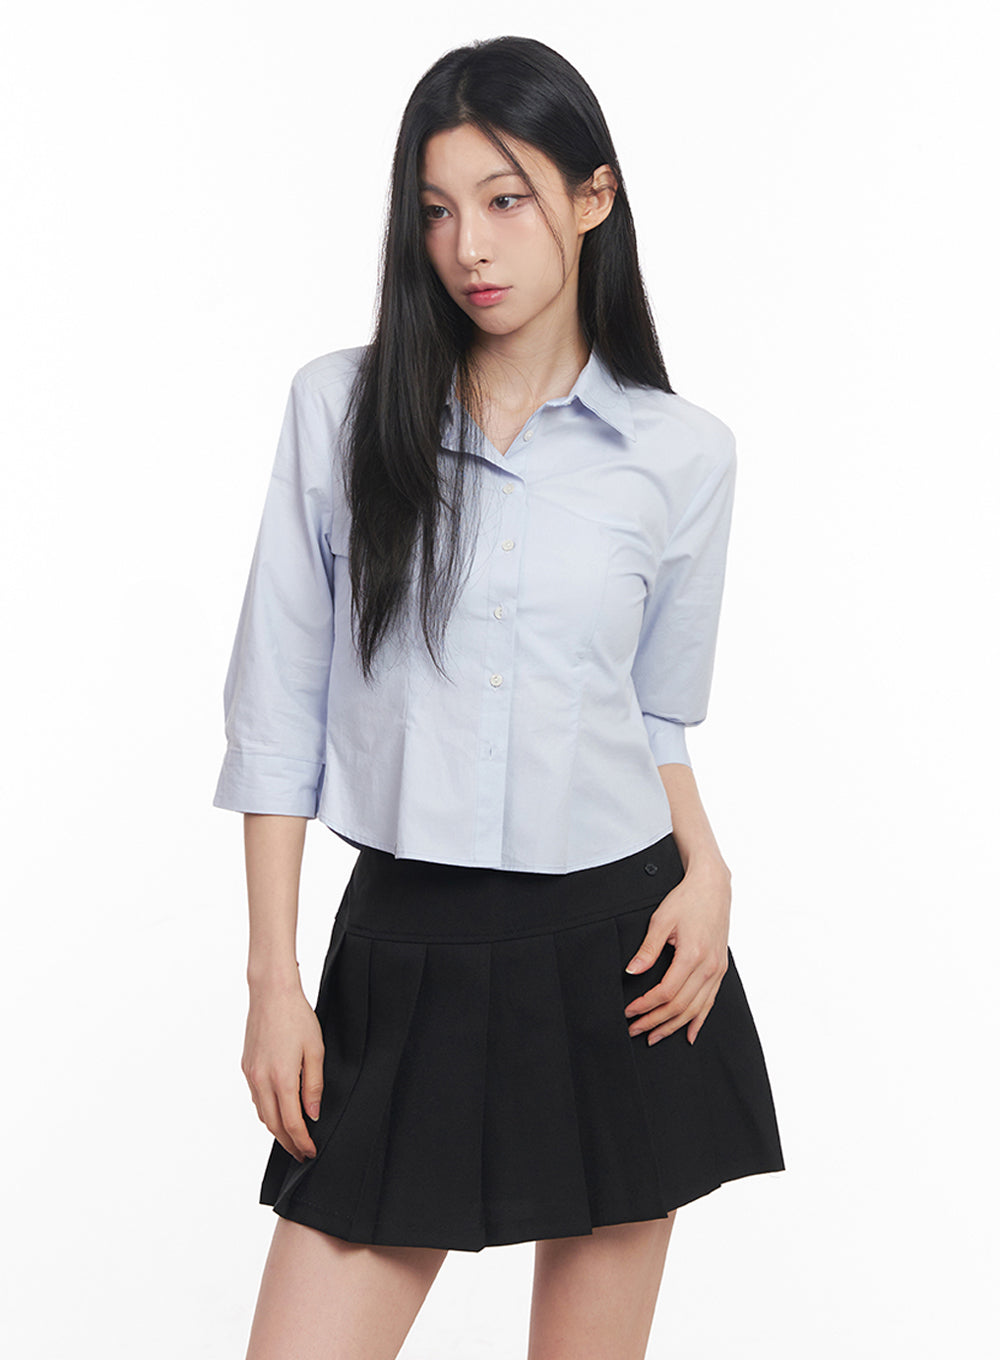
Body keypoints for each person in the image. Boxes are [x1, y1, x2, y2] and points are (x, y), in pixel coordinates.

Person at [213, 34, 785, 1360]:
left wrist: (708, 867)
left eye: (506, 198)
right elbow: (275, 714)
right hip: (405, 945)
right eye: (436, 209)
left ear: (594, 197)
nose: (468, 245)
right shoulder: (341, 411)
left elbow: (649, 713)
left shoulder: (684, 455)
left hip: (625, 954)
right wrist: (271, 980)